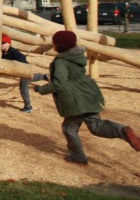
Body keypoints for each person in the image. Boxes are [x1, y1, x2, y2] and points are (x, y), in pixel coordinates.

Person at [34, 30, 140, 165]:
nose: (53, 44)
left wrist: (41, 89)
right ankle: (122, 130)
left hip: (75, 100)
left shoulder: (61, 61)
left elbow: (59, 83)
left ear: (60, 44)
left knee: (69, 128)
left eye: (54, 42)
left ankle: (78, 156)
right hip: (88, 94)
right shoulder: (77, 56)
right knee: (96, 126)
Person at [1, 35, 34, 113]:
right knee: (31, 78)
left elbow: (22, 57)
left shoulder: (13, 51)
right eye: (0, 43)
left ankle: (28, 106)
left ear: (9, 44)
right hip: (21, 71)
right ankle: (44, 76)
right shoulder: (4, 52)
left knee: (23, 88)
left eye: (3, 43)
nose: (1, 44)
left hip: (24, 69)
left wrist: (16, 64)